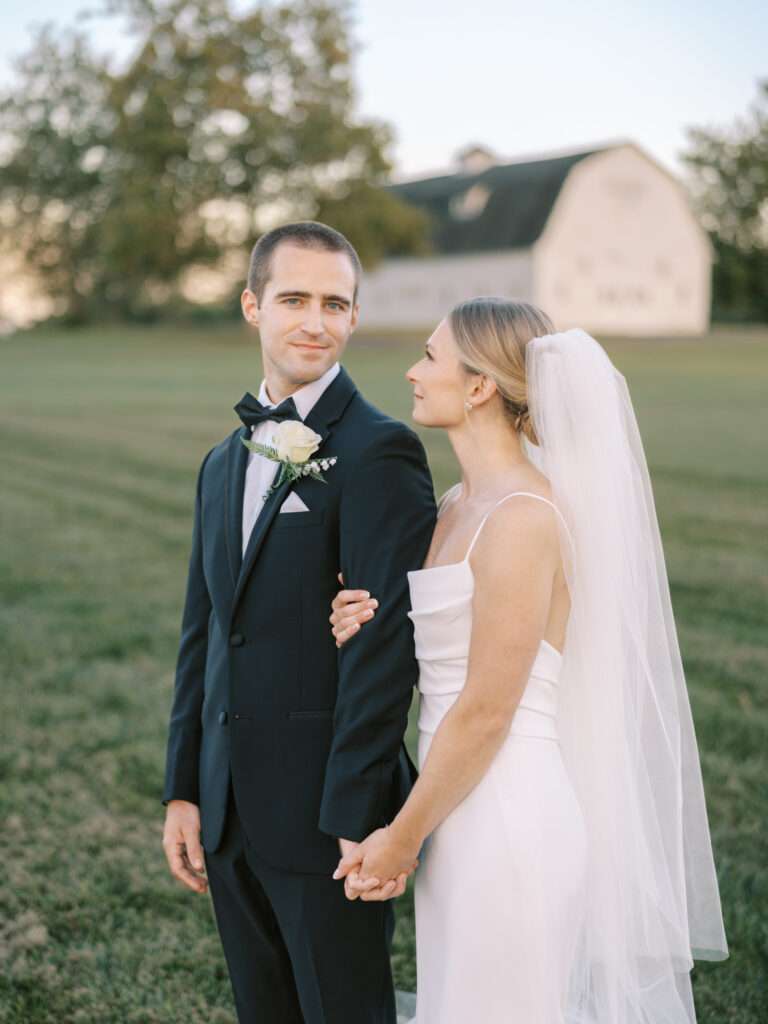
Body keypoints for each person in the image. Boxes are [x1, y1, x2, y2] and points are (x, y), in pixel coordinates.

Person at [331, 298, 728, 1023]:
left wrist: (400, 838)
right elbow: (428, 649)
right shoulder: (457, 504)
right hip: (456, 808)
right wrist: (353, 616)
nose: (414, 372)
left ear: (480, 385)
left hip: (507, 816)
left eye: (430, 356)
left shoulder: (522, 519)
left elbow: (486, 712)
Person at [161, 221, 436, 1024]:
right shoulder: (221, 460)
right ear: (253, 306)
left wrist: (356, 814)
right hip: (227, 806)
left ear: (353, 316)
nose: (314, 321)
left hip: (328, 816)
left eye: (334, 303)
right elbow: (203, 632)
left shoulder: (381, 449)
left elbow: (387, 646)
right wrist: (183, 788)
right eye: (293, 299)